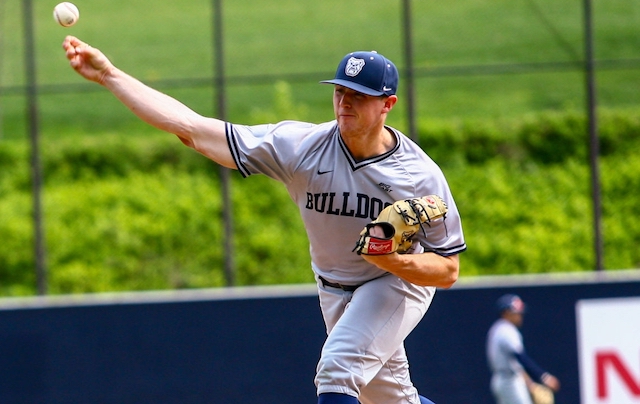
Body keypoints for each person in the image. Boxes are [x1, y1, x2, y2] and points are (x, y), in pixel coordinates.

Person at [62, 36, 467, 404]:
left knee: (337, 372)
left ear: (387, 104)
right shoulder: (302, 147)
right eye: (340, 91)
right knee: (391, 401)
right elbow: (191, 130)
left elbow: (448, 270)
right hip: (333, 286)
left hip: (393, 282)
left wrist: (392, 261)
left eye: (359, 96)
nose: (345, 102)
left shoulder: (418, 175)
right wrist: (110, 76)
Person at [486, 294, 561, 404]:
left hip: (507, 378)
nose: (520, 316)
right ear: (506, 313)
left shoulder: (498, 329)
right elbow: (521, 357)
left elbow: (515, 362)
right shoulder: (506, 330)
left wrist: (530, 384)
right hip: (508, 381)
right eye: (517, 313)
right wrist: (544, 377)